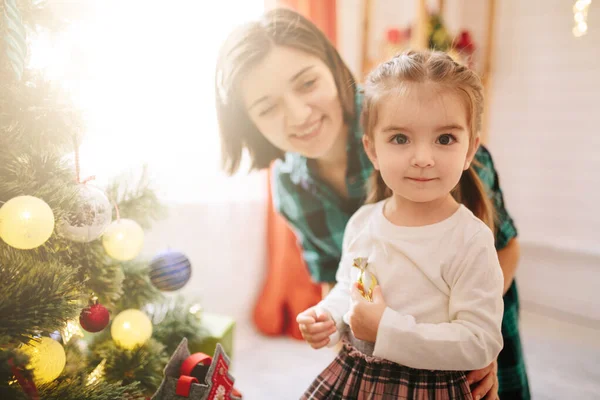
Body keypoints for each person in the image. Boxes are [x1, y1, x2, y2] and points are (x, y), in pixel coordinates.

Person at [215, 8, 529, 399]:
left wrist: (466, 345)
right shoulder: (290, 185)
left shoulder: (421, 121)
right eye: (267, 107)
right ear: (250, 123)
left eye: (307, 82)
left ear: (332, 67)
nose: (298, 115)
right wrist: (335, 324)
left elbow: (504, 249)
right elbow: (343, 276)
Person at [297, 49, 503, 399]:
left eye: (445, 139)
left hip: (429, 387)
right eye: (400, 138)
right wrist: (328, 318)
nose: (423, 158)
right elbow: (354, 288)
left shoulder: (470, 240)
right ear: (372, 150)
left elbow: (478, 342)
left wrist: (385, 329)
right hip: (356, 376)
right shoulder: (363, 223)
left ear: (470, 151)